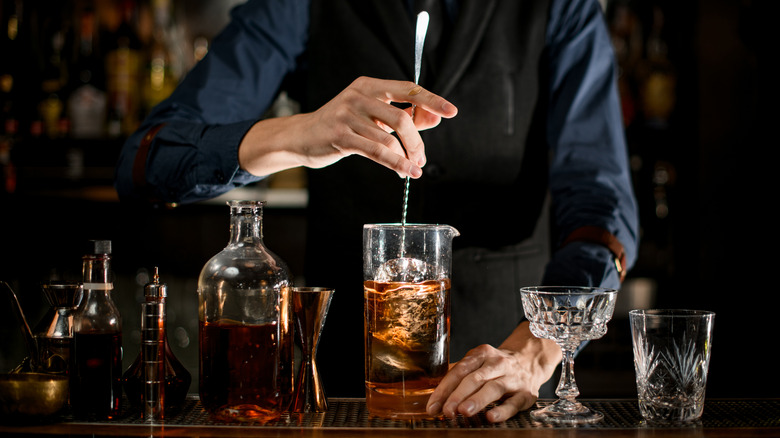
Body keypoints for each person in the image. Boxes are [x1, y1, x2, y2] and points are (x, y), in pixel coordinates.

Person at [115, 0, 639, 423]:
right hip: (344, 399)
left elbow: (600, 210)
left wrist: (534, 353)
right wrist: (299, 134)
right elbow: (149, 161)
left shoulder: (562, 9)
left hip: (509, 395)